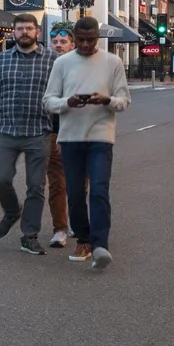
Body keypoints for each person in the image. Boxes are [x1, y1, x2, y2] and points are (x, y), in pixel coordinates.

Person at [42, 16, 131, 271]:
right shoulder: (62, 63)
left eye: (89, 40)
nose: (83, 44)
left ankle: (100, 245)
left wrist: (106, 100)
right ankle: (83, 239)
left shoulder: (112, 62)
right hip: (70, 138)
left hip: (101, 137)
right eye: (79, 39)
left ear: (97, 38)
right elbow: (48, 100)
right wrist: (67, 102)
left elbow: (124, 100)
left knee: (100, 190)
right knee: (76, 193)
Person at [0, 12, 56, 255]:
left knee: (36, 187)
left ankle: (29, 236)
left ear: (37, 32)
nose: (24, 33)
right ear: (13, 32)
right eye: (20, 29)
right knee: (1, 179)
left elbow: (62, 96)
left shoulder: (52, 60)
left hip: (39, 132)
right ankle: (11, 211)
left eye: (29, 28)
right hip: (6, 132)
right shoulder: (2, 59)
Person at [44, 25, 74, 249]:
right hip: (52, 131)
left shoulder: (81, 67)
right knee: (57, 183)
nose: (58, 45)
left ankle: (75, 219)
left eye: (63, 42)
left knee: (79, 183)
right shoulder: (45, 68)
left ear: (72, 45)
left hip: (78, 132)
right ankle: (60, 229)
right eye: (54, 42)